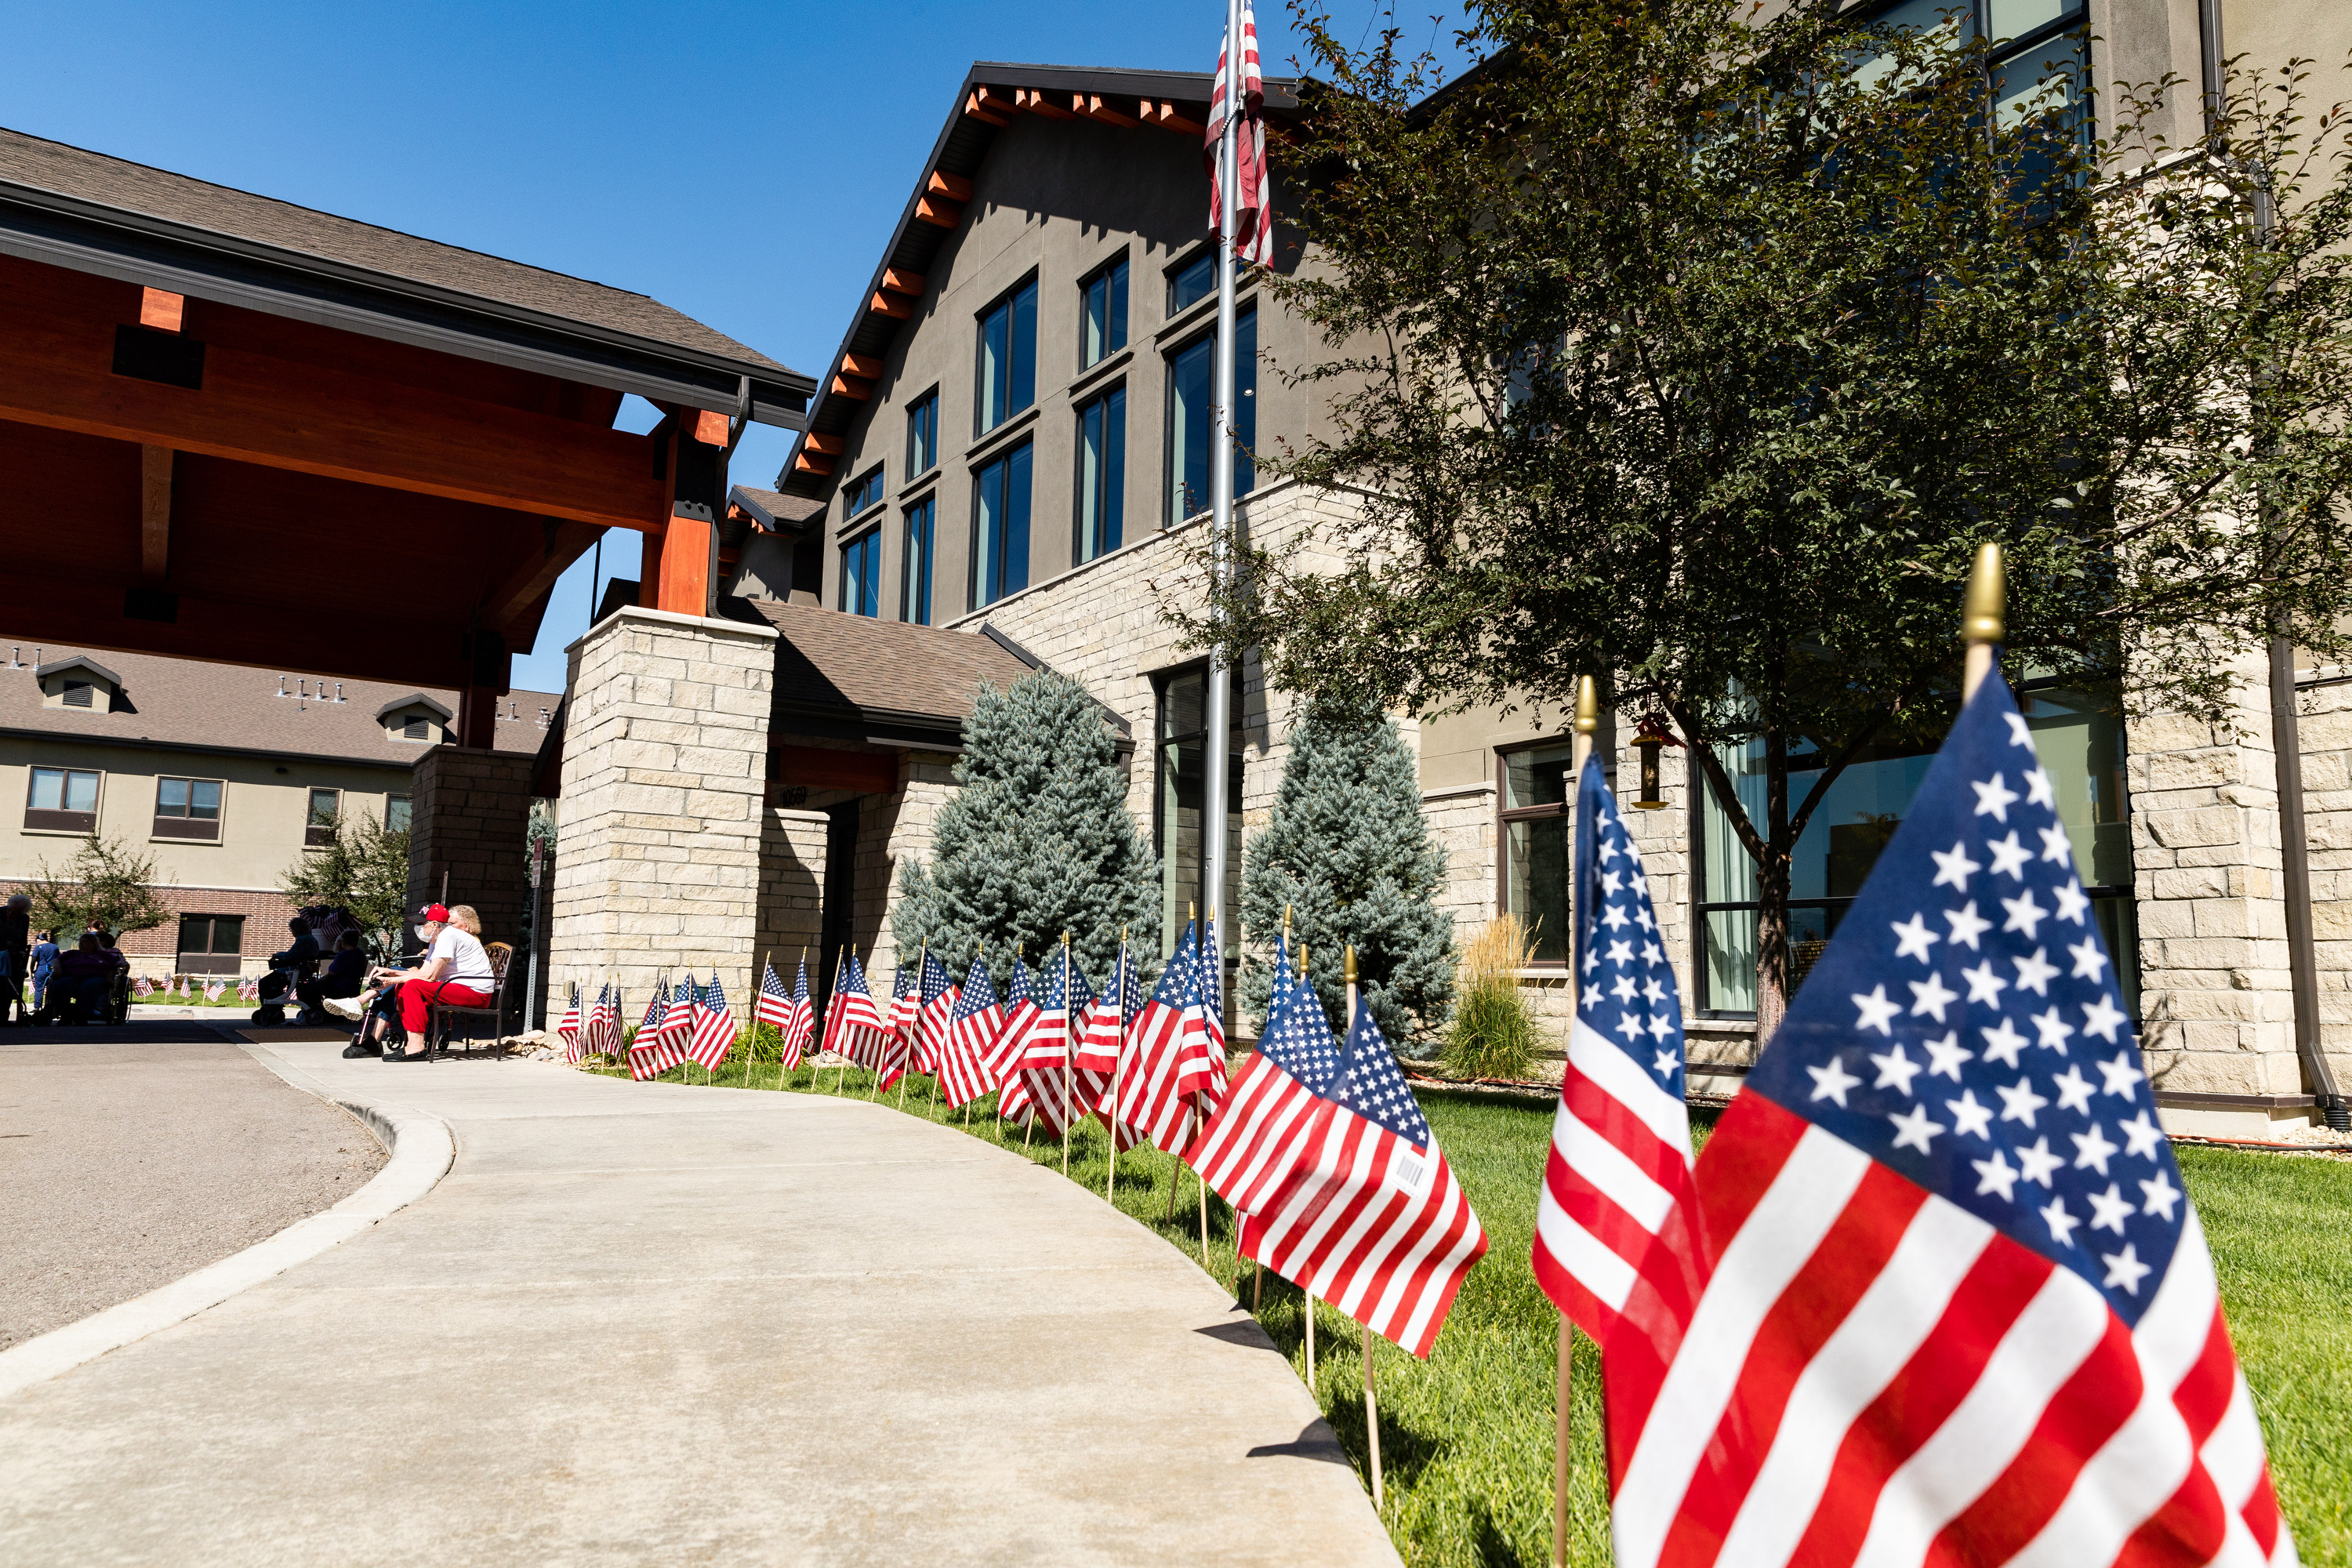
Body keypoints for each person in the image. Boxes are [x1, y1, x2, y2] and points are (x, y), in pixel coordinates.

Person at [330, 903, 492, 1062]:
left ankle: (416, 1047)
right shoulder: (438, 939)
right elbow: (422, 973)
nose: (419, 928)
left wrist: (390, 980)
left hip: (475, 993)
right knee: (403, 985)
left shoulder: (448, 936)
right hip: (456, 987)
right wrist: (390, 973)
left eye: (422, 924)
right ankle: (412, 1042)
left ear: (435, 924)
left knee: (413, 986)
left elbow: (430, 977)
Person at [42, 932, 117, 1025]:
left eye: (85, 942)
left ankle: (82, 1014)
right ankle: (64, 1014)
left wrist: (121, 967)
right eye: (80, 942)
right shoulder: (72, 953)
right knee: (59, 985)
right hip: (71, 976)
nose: (81, 944)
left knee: (89, 986)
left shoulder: (103, 955)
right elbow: (55, 960)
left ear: (93, 944)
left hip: (95, 977)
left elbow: (118, 963)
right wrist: (57, 967)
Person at [296, 931, 366, 1025]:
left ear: (342, 942)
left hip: (339, 987)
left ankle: (310, 1011)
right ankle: (320, 1011)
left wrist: (318, 981)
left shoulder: (344, 955)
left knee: (303, 988)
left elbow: (332, 974)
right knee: (315, 986)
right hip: (352, 986)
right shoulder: (360, 954)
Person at [0, 894, 28, 1026]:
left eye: (19, 912)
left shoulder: (23, 918)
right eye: (15, 911)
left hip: (13, 956)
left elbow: (23, 939)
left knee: (9, 986)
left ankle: (3, 1017)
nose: (15, 914)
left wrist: (21, 953)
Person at [29, 929, 58, 1013]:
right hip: (52, 970)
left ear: (39, 940)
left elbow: (33, 960)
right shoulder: (55, 947)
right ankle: (50, 1007)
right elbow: (58, 958)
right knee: (51, 989)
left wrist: (32, 971)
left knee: (39, 989)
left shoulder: (38, 947)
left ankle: (37, 1007)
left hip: (41, 970)